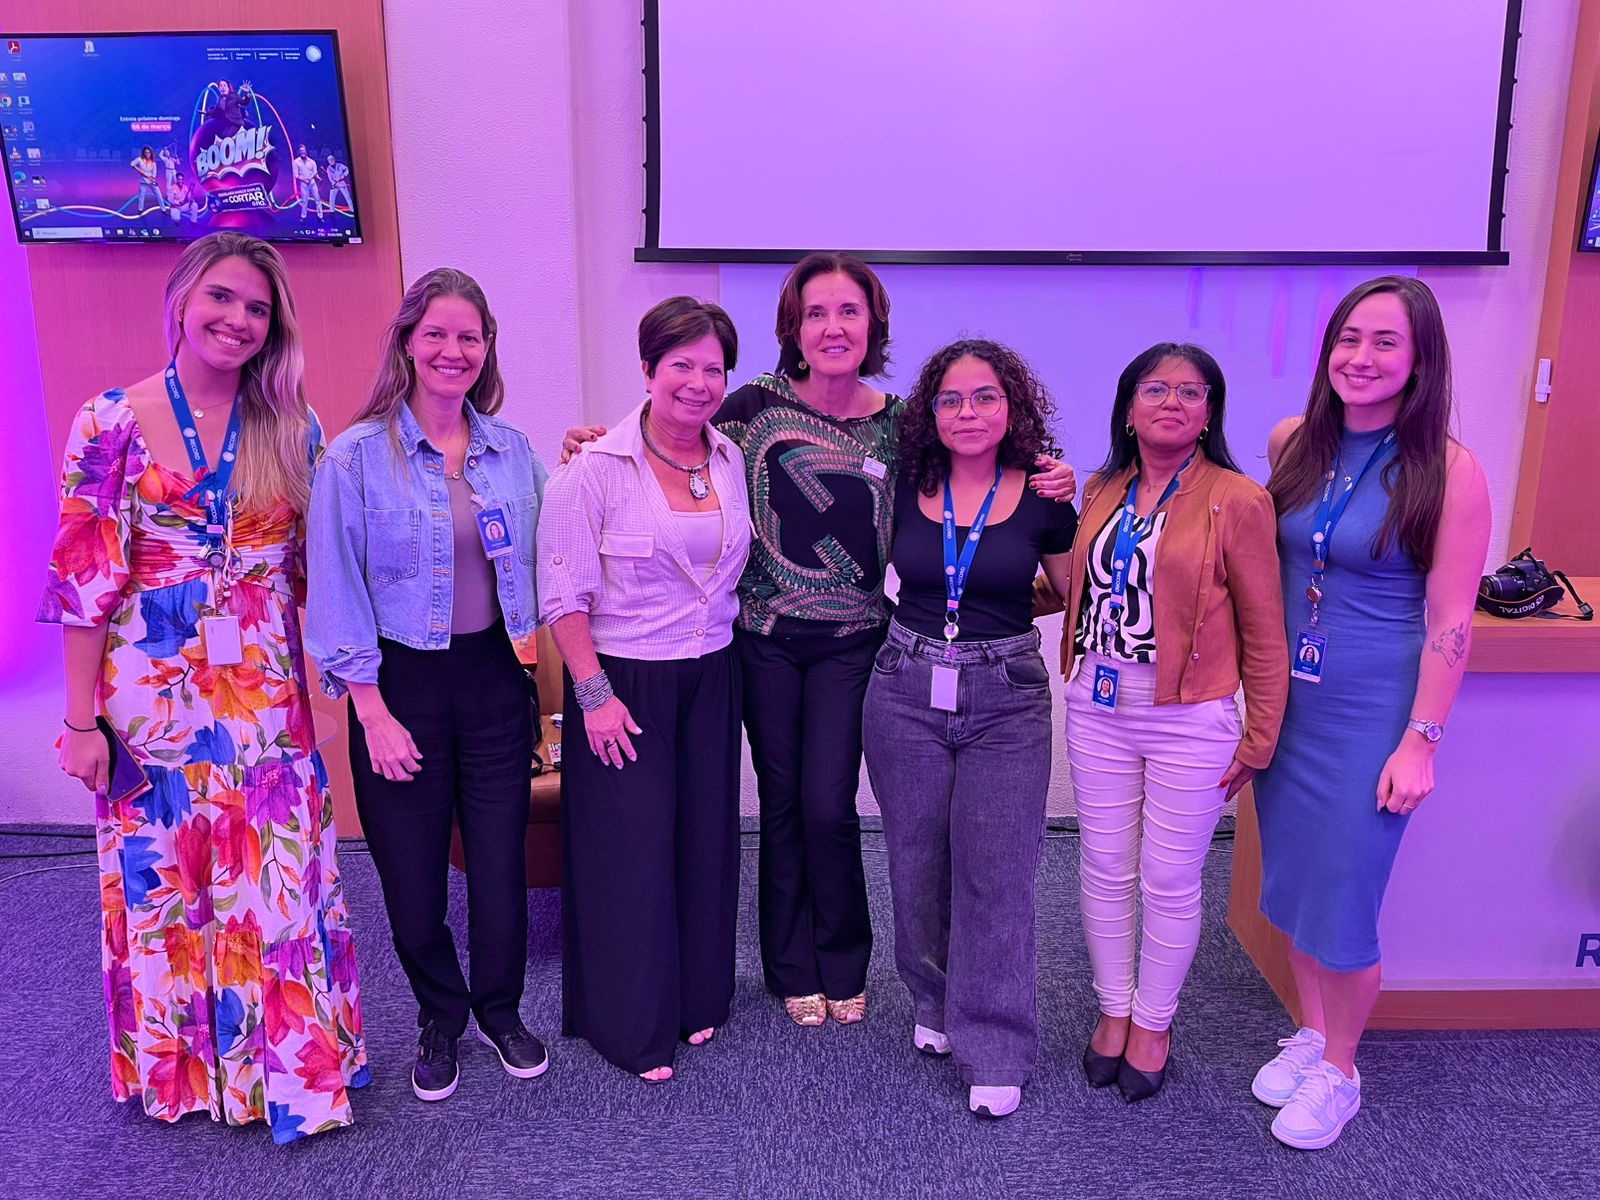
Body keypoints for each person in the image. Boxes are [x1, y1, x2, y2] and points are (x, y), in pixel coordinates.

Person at [562, 252, 1074, 1029]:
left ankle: (843, 959)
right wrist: (593, 442)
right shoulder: (755, 405)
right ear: (793, 328)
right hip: (761, 639)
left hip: (856, 644)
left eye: (849, 312)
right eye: (816, 313)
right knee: (781, 803)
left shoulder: (902, 423)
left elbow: (977, 473)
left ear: (874, 326)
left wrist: (1049, 477)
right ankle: (790, 966)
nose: (833, 327)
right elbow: (673, 433)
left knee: (831, 805)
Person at [41, 231, 368, 1143]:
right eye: (222, 298)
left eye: (258, 309)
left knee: (279, 877)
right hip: (149, 693)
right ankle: (189, 1074)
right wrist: (80, 724)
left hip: (265, 690)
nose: (238, 319)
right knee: (171, 884)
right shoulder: (107, 421)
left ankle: (291, 1075)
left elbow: (319, 569)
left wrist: (344, 687)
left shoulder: (294, 426)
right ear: (183, 300)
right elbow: (82, 585)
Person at [1250, 277, 1489, 1149]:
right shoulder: (1291, 443)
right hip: (1293, 710)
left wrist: (1420, 743)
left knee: (1345, 899)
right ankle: (1313, 1036)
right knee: (1298, 887)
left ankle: (1342, 1072)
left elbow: (1451, 621)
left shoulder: (1449, 472)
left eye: (1385, 341)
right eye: (1348, 338)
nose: (1361, 357)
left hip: (1371, 715)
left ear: (1421, 357)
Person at [306, 268, 551, 1103]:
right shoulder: (354, 457)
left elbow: (555, 545)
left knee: (497, 871)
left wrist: (596, 462)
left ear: (487, 351)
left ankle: (500, 1011)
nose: (454, 350)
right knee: (412, 886)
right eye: (437, 334)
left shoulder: (511, 450)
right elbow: (335, 588)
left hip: (491, 681)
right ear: (408, 342)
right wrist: (369, 712)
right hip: (396, 687)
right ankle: (439, 1018)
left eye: (470, 337)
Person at [1060, 342, 1287, 1103]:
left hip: (1191, 715)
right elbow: (1076, 592)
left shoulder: (1239, 499)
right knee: (1103, 865)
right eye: (1154, 388)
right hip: (1098, 702)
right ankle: (1113, 1010)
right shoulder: (1102, 488)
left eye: (1191, 392)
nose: (1171, 402)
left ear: (1209, 414)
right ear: (1127, 407)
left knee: (1168, 875)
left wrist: (1260, 735)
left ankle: (1155, 1021)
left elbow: (1264, 629)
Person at [862, 339, 1077, 1120]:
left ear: (1011, 406)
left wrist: (999, 624)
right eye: (951, 400)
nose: (968, 413)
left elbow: (1075, 593)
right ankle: (934, 999)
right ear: (930, 413)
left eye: (985, 397)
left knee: (996, 871)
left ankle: (996, 1041)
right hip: (904, 687)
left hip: (1007, 694)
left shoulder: (1047, 493)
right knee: (916, 860)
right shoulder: (903, 486)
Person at [537, 297, 750, 1082]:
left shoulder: (728, 458)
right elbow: (561, 597)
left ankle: (697, 1001)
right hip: (624, 681)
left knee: (704, 842)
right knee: (629, 852)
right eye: (681, 366)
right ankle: (627, 1026)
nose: (697, 383)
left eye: (712, 368)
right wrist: (594, 698)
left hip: (712, 673)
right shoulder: (589, 472)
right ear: (648, 371)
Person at [129, 146, 164, 213]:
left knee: (159, 195)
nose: (147, 154)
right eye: (146, 152)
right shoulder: (139, 159)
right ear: (144, 153)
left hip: (151, 181)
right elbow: (132, 164)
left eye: (148, 152)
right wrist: (137, 168)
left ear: (151, 153)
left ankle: (163, 209)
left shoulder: (153, 162)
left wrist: (152, 179)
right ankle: (140, 210)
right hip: (143, 181)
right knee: (141, 196)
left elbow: (154, 172)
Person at [292, 145, 323, 219]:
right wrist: (304, 180)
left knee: (318, 200)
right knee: (304, 201)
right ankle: (303, 216)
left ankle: (320, 216)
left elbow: (315, 173)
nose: (303, 152)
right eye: (301, 151)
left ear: (306, 151)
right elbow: (295, 175)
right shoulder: (296, 162)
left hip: (312, 183)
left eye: (304, 151)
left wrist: (318, 178)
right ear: (299, 152)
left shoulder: (312, 162)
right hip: (304, 184)